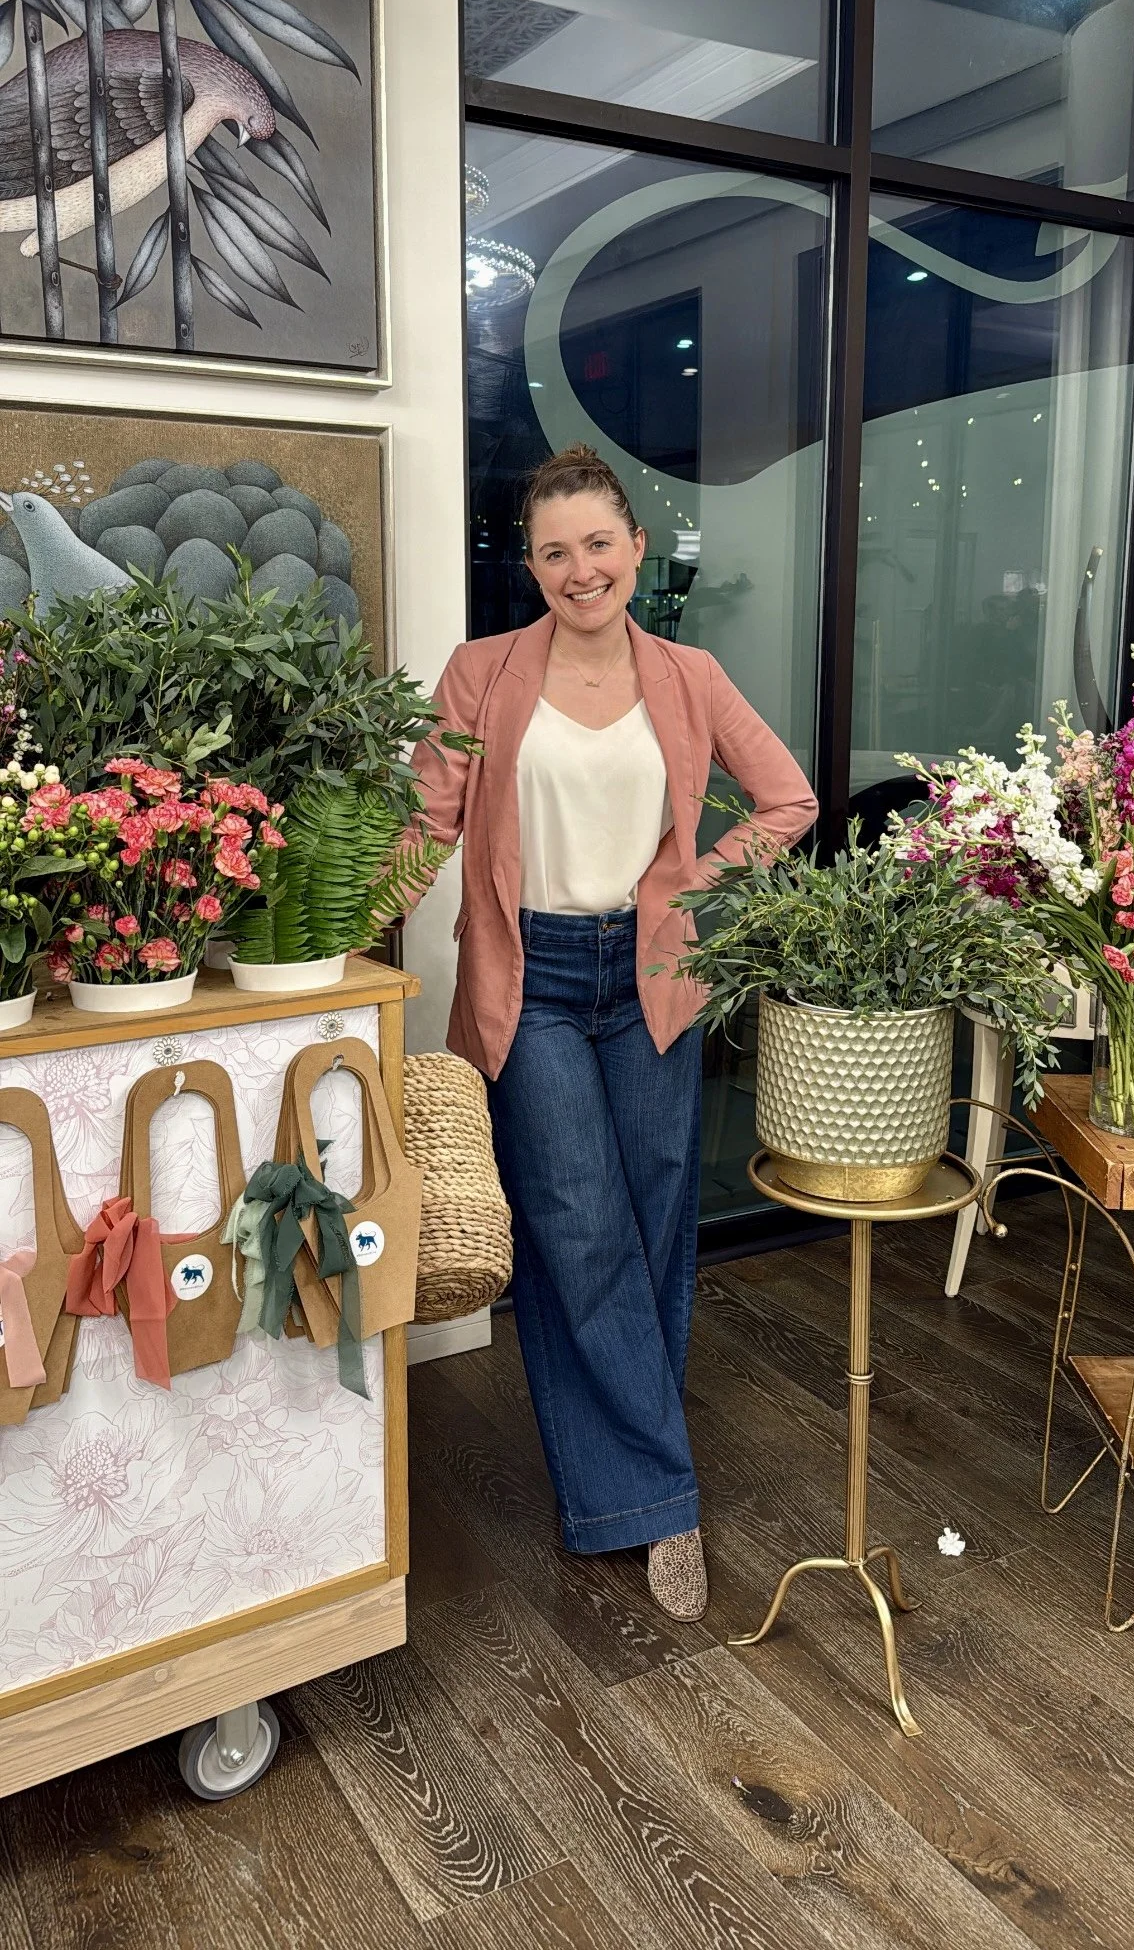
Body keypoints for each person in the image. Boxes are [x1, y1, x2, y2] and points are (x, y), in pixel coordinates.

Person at [404, 444, 817, 1620]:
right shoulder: (482, 672)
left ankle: (624, 1469)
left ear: (637, 547)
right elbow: (429, 821)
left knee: (649, 1220)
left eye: (598, 543)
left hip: (651, 984)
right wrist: (326, 927)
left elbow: (786, 799)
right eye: (553, 551)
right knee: (576, 1221)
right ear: (528, 565)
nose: (578, 568)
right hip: (527, 979)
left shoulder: (688, 672)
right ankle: (655, 1499)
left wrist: (688, 888)